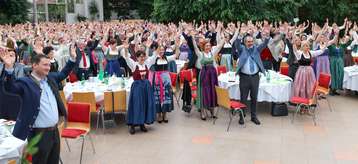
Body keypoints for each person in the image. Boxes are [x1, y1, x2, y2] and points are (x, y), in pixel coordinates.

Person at [0, 45, 78, 164]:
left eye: (49, 65)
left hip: (54, 132)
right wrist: (9, 68)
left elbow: (63, 74)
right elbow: (10, 88)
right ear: (34, 65)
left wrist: (72, 59)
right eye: (45, 65)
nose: (48, 68)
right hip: (39, 134)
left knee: (53, 161)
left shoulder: (50, 78)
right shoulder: (26, 82)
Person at [233, 27, 272, 125]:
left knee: (254, 97)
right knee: (243, 98)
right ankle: (241, 116)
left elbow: (264, 44)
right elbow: (237, 44)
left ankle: (253, 116)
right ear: (245, 42)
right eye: (248, 42)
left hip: (255, 77)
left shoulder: (256, 49)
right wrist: (240, 35)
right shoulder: (242, 49)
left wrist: (267, 36)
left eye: (251, 41)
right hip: (244, 77)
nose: (250, 43)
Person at [123, 49, 156, 135]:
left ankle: (142, 123)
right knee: (137, 105)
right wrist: (126, 50)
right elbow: (127, 58)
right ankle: (133, 125)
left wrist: (150, 47)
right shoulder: (134, 65)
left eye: (143, 56)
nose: (142, 58)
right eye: (140, 56)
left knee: (144, 104)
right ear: (137, 58)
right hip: (137, 87)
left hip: (146, 87)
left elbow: (154, 56)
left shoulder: (147, 64)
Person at [0, 45, 25, 120]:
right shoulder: (1, 65)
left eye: (12, 55)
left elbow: (18, 81)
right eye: (8, 55)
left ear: (16, 57)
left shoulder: (20, 67)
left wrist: (9, 67)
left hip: (13, 98)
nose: (10, 57)